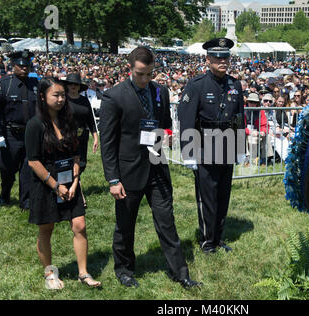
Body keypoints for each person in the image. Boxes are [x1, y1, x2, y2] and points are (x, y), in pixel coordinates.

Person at [99, 46, 201, 289]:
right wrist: (113, 179)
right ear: (130, 69)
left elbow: (164, 123)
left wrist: (167, 135)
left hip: (156, 165)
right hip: (128, 171)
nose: (145, 79)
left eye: (149, 74)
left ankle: (180, 272)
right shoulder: (114, 97)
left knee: (167, 221)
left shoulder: (160, 92)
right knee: (125, 224)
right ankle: (124, 269)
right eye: (140, 74)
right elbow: (108, 142)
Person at [25, 77, 101, 290]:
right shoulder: (35, 125)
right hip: (45, 183)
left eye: (62, 95)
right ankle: (49, 273)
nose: (60, 99)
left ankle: (83, 273)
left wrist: (76, 182)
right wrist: (55, 185)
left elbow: (75, 153)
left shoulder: (69, 121)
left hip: (70, 180)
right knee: (46, 228)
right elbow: (33, 161)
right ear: (42, 97)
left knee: (80, 225)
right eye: (55, 95)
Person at [178, 38, 245, 254]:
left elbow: (239, 117)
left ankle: (218, 238)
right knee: (207, 196)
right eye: (218, 57)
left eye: (226, 57)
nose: (223, 61)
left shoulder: (235, 85)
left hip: (227, 146)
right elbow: (186, 118)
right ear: (208, 59)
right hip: (205, 145)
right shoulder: (197, 85)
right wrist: (188, 152)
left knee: (223, 195)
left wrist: (240, 147)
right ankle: (207, 241)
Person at [0, 50, 38, 209]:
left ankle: (26, 201)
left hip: (30, 133)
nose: (24, 69)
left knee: (28, 168)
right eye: (20, 66)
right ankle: (5, 193)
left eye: (27, 66)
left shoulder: (35, 85)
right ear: (13, 65)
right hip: (10, 134)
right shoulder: (3, 84)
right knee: (8, 168)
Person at [63, 73, 99, 208]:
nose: (73, 86)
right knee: (70, 164)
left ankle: (75, 186)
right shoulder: (63, 100)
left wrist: (95, 136)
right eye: (71, 84)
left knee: (81, 164)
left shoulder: (84, 101)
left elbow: (90, 119)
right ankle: (78, 193)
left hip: (82, 137)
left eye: (76, 84)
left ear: (79, 86)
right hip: (66, 136)